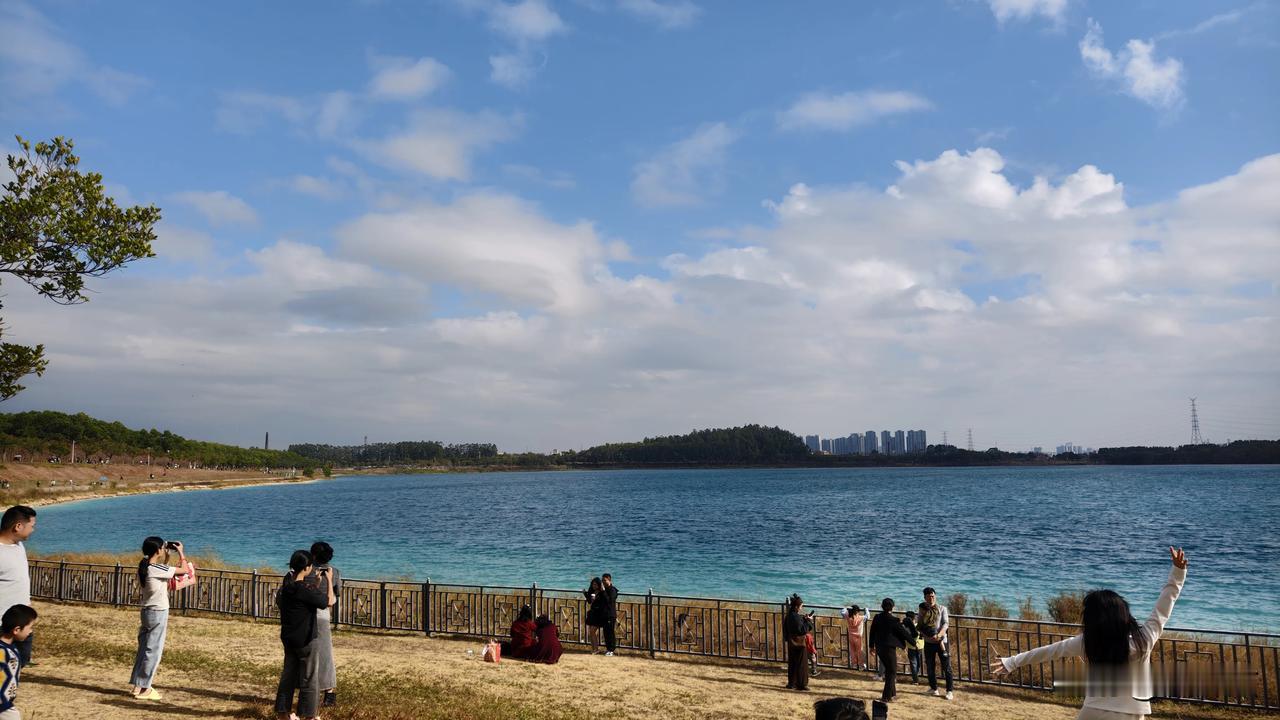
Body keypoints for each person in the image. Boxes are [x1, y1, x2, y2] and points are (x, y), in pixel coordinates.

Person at [992, 547, 1189, 720]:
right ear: (1124, 615)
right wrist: (1178, 573)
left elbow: (1050, 651)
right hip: (1131, 712)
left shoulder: (1089, 642)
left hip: (1093, 709)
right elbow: (1164, 606)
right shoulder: (1143, 640)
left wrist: (1012, 662)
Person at [131, 537, 194, 700]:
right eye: (162, 547)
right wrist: (181, 552)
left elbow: (163, 569)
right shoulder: (154, 568)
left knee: (144, 649)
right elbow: (184, 570)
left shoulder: (144, 567)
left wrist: (166, 556)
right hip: (158, 612)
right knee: (154, 651)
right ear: (157, 550)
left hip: (146, 611)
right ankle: (145, 688)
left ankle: (138, 686)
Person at [275, 550, 335, 720]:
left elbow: (303, 599)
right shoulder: (306, 589)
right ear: (308, 567)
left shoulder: (287, 588)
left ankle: (282, 713)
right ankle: (308, 715)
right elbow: (328, 602)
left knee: (288, 676)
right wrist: (328, 581)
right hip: (307, 639)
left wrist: (315, 584)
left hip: (288, 638)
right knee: (309, 678)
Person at [0, 508, 35, 668]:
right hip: (2, 623)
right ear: (18, 526)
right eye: (31, 525)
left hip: (22, 620)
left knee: (20, 661)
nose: (33, 530)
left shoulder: (19, 546)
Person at [310, 541, 341, 708]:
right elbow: (337, 594)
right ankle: (329, 693)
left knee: (305, 654)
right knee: (326, 654)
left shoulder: (306, 570)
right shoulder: (334, 572)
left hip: (305, 615)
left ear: (313, 555)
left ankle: (305, 689)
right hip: (323, 616)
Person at [868, 598, 912, 703]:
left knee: (889, 670)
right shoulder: (894, 620)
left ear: (882, 606)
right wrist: (914, 642)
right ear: (893, 607)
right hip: (889, 649)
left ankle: (892, 694)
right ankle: (886, 697)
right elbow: (904, 633)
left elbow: (872, 632)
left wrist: (871, 646)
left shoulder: (877, 617)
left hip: (879, 648)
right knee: (892, 672)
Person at [917, 586, 953, 700]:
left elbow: (946, 624)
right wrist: (929, 635)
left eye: (932, 596)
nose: (931, 598)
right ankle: (934, 688)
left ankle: (949, 691)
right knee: (930, 666)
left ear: (935, 596)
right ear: (925, 598)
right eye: (928, 597)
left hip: (942, 641)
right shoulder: (922, 610)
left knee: (946, 667)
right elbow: (920, 625)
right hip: (928, 642)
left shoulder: (942, 609)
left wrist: (939, 635)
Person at [0, 604, 36, 720]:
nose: (30, 632)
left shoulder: (12, 647)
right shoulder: (1, 651)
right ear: (16, 630)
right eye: (29, 627)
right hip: (3, 708)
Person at [783, 594, 811, 691]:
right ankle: (802, 684)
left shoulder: (789, 615)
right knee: (802, 664)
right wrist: (808, 621)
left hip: (791, 643)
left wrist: (804, 620)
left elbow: (786, 628)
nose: (801, 608)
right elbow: (803, 630)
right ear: (796, 606)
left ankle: (792, 683)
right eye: (801, 606)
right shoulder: (796, 617)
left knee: (793, 664)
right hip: (799, 643)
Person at [600, 573, 619, 656]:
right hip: (604, 614)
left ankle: (612, 649)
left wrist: (603, 591)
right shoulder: (604, 589)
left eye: (605, 580)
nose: (603, 582)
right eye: (602, 580)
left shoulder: (612, 590)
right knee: (606, 632)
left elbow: (609, 601)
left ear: (609, 580)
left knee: (610, 632)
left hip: (610, 614)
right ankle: (608, 649)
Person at [583, 577, 604, 653]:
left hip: (599, 614)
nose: (594, 586)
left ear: (599, 584)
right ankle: (594, 649)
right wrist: (585, 594)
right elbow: (589, 602)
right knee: (591, 632)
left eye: (595, 584)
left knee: (592, 631)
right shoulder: (592, 592)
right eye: (593, 584)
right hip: (593, 613)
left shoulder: (601, 592)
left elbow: (603, 602)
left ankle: (596, 649)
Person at [841, 604, 865, 671]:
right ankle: (861, 665)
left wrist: (846, 608)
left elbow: (842, 612)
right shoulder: (861, 618)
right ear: (857, 611)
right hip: (858, 637)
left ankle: (853, 664)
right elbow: (867, 616)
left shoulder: (848, 616)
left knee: (852, 650)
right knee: (859, 650)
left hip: (851, 636)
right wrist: (866, 610)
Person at [902, 610, 923, 683]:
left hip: (911, 647)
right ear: (914, 618)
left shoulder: (905, 628)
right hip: (920, 646)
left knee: (913, 663)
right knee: (919, 662)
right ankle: (917, 675)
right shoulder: (919, 625)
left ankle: (915, 679)